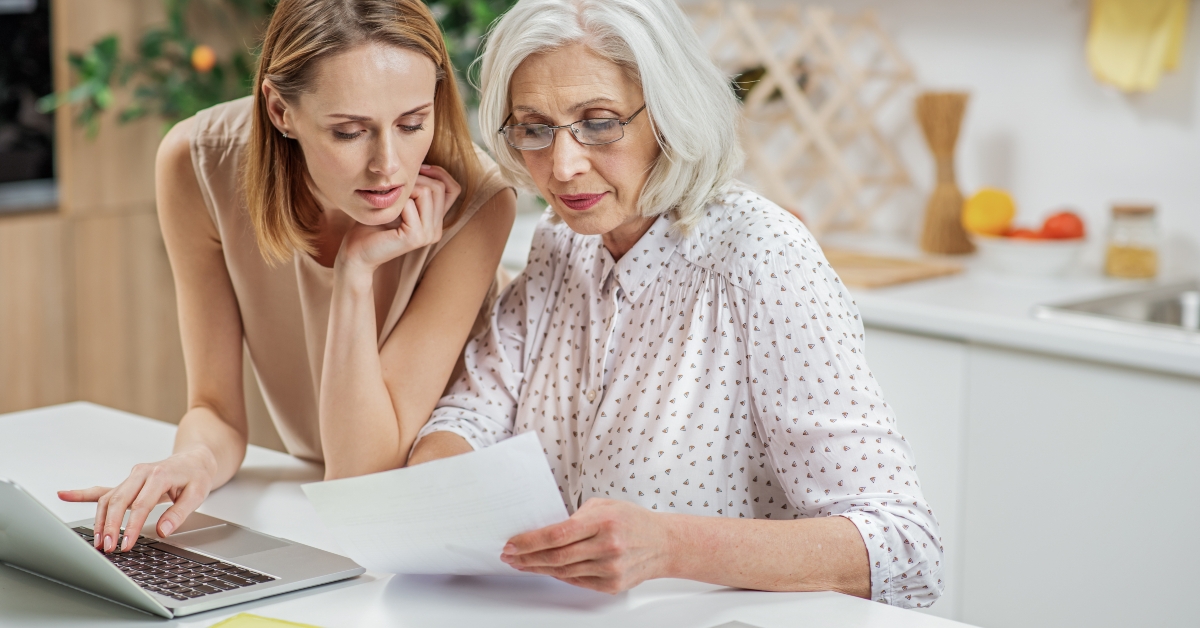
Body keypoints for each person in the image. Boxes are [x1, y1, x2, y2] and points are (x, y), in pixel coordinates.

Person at [406, 0, 943, 608]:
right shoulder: (560, 243)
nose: (562, 165)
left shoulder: (760, 256)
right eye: (534, 128)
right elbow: (471, 415)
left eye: (600, 122)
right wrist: (435, 493)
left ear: (669, 114)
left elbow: (906, 545)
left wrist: (669, 546)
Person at [58, 0, 516, 556]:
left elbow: (362, 480)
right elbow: (216, 411)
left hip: (426, 527)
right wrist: (193, 460)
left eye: (413, 123)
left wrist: (354, 273)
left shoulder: (476, 202)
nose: (389, 165)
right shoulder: (199, 164)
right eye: (350, 132)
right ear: (279, 110)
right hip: (313, 510)